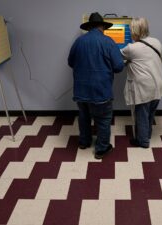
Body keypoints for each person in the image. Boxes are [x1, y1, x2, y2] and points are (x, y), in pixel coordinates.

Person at [68, 12, 124, 159]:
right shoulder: (108, 42)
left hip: (81, 90)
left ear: (89, 27)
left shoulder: (78, 41)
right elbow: (119, 67)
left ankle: (84, 142)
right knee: (104, 119)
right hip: (101, 90)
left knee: (84, 116)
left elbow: (70, 62)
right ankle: (101, 149)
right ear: (102, 27)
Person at [121, 17, 162, 148]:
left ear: (135, 31)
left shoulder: (131, 48)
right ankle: (147, 134)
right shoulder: (156, 42)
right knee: (150, 114)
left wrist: (128, 61)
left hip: (144, 87)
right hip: (158, 84)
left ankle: (143, 141)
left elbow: (116, 57)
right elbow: (161, 59)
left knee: (141, 114)